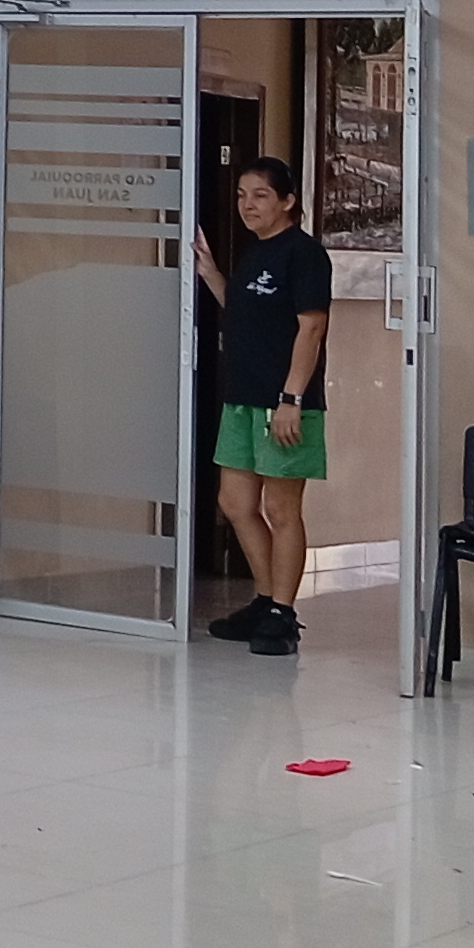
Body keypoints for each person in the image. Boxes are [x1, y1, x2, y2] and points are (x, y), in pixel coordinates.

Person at [195, 154, 335, 657]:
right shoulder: (255, 252)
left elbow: (311, 328)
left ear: (288, 201)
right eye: (241, 195)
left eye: (260, 195)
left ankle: (283, 613)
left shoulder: (305, 254)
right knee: (235, 503)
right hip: (242, 399)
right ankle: (264, 599)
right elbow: (243, 311)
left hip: (285, 402)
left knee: (281, 508)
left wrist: (291, 398)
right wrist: (210, 273)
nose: (247, 205)